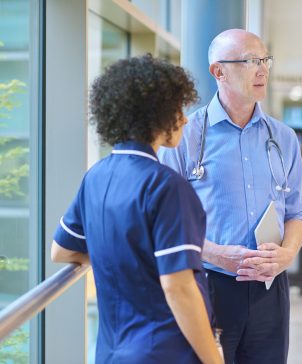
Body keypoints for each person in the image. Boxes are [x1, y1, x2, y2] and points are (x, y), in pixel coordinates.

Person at [51, 54, 223, 364]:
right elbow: (179, 288)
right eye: (178, 110)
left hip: (110, 352)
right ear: (155, 116)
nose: (185, 120)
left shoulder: (96, 177)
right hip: (164, 352)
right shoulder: (166, 187)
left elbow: (61, 251)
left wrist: (125, 259)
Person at [158, 29, 302, 364]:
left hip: (270, 292)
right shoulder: (185, 137)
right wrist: (215, 253)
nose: (262, 70)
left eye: (264, 60)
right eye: (250, 61)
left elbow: (296, 213)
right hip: (209, 286)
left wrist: (286, 255)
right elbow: (165, 224)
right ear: (218, 71)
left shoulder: (283, 138)